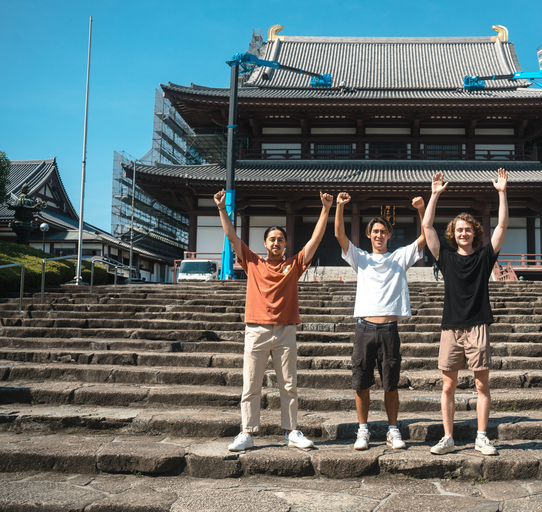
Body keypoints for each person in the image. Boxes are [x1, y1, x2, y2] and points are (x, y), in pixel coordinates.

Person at [214, 189, 333, 452]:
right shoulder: (253, 262)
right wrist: (222, 208)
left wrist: (325, 209)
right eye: (272, 239)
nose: (276, 243)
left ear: (286, 245)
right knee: (251, 384)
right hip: (256, 330)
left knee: (289, 385)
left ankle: (291, 431)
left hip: (285, 331)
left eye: (280, 239)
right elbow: (232, 236)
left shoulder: (294, 264)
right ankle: (247, 432)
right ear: (265, 244)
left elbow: (315, 239)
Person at [422, 169, 509, 456]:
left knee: (481, 384)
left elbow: (501, 228)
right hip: (451, 327)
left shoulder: (484, 257)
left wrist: (501, 192)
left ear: (474, 233)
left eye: (467, 229)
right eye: (459, 229)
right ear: (453, 233)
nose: (463, 233)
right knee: (448, 385)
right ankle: (448, 437)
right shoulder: (445, 258)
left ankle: (482, 437)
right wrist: (434, 195)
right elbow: (427, 230)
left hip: (477, 325)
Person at [334, 193, 426, 450]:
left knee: (390, 382)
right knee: (361, 381)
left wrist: (421, 209)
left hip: (389, 328)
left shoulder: (399, 257)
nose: (379, 235)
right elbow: (340, 236)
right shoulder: (360, 258)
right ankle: (362, 430)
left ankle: (392, 430)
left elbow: (425, 238)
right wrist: (340, 207)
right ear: (368, 235)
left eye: (383, 231)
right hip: (364, 328)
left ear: (389, 235)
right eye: (375, 231)